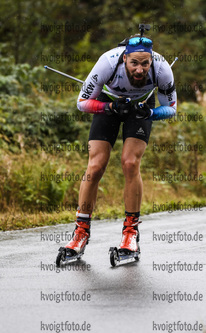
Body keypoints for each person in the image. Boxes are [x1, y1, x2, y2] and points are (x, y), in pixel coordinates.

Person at [62, 33, 177, 258]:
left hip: (143, 104)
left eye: (145, 64)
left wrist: (151, 113)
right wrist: (109, 108)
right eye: (134, 63)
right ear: (125, 59)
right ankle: (81, 231)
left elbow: (171, 108)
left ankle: (130, 232)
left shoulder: (162, 69)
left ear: (151, 61)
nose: (140, 69)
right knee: (95, 166)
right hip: (108, 102)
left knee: (130, 163)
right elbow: (82, 103)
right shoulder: (107, 62)